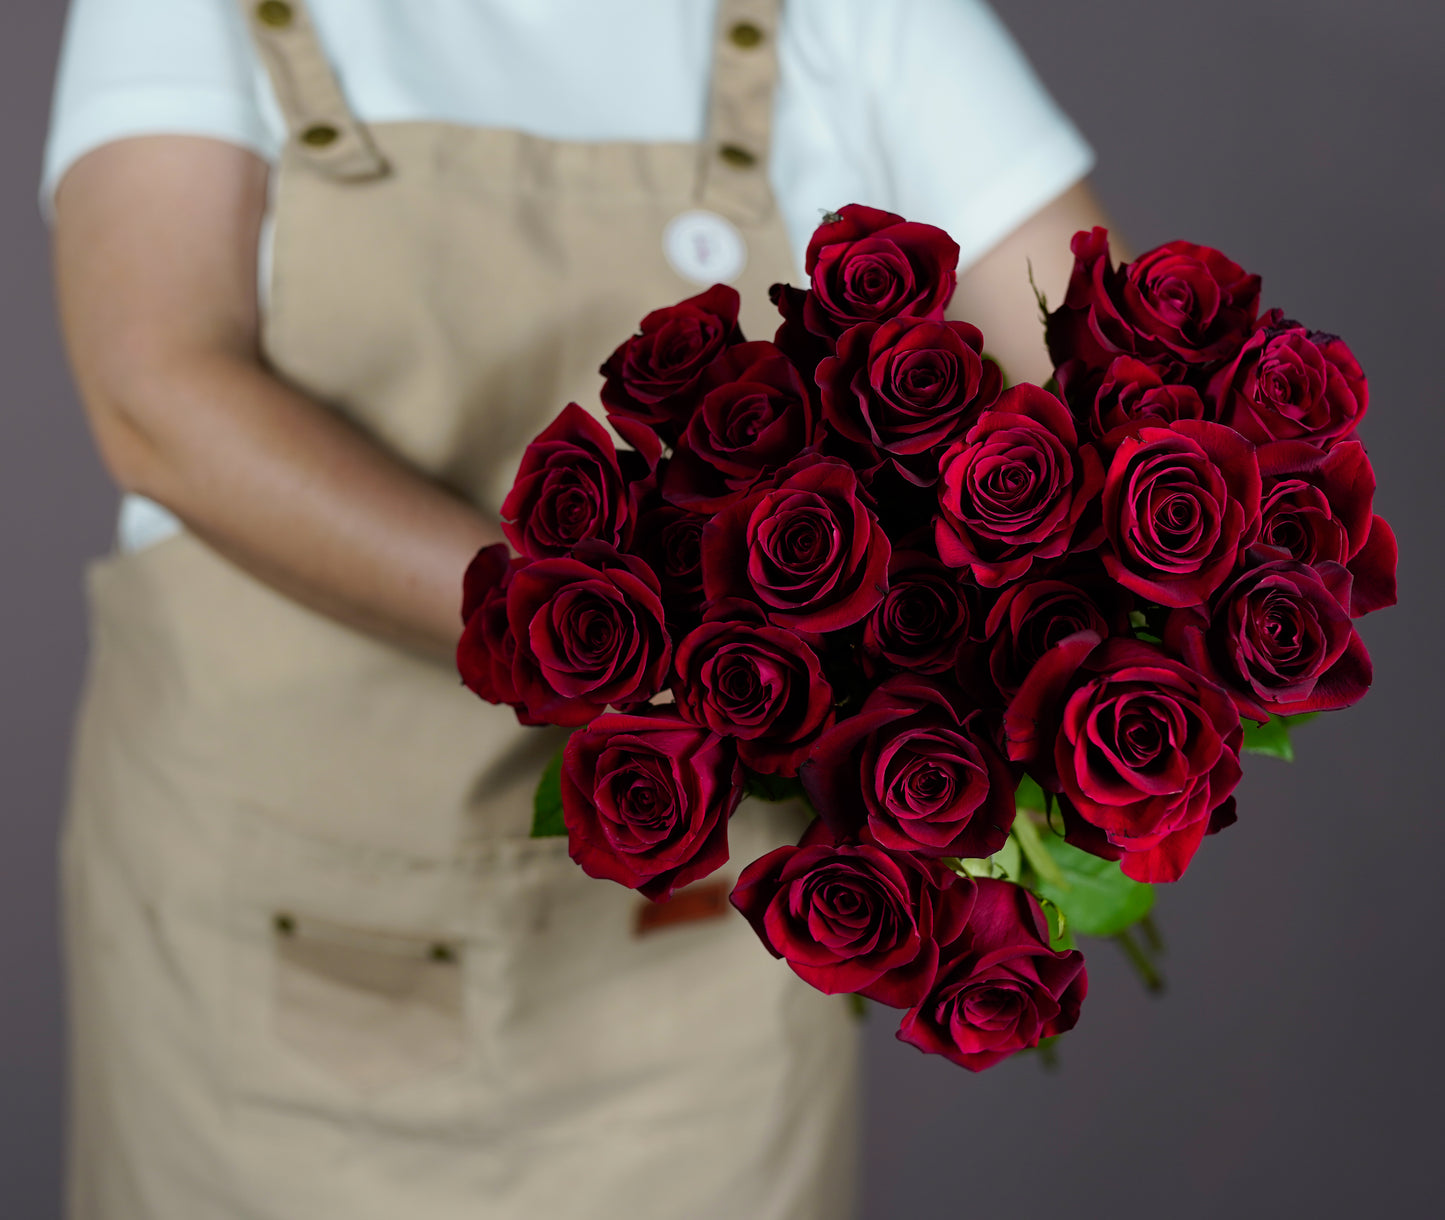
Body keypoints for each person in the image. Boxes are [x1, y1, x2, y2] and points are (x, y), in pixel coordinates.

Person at [44, 1, 1114, 1216]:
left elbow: (1089, 380)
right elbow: (159, 392)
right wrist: (621, 644)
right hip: (268, 958)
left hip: (699, 999)